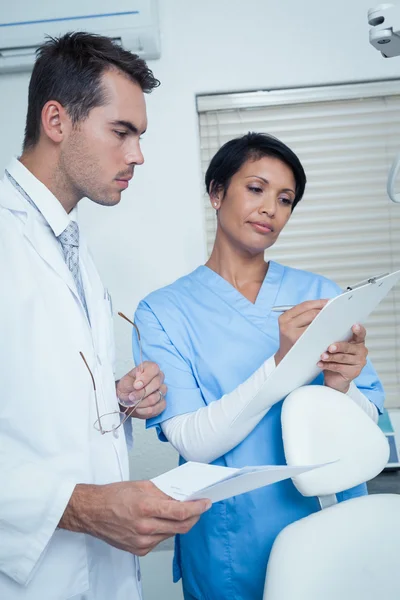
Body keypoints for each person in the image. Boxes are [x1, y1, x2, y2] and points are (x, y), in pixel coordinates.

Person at [0, 32, 211, 600]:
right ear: (57, 120)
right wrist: (86, 508)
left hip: (100, 574)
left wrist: (115, 400)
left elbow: (31, 405)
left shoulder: (72, 247)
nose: (138, 155)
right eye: (122, 132)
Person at [132, 132, 385, 600]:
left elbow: (369, 422)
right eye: (256, 189)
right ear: (216, 192)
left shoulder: (322, 295)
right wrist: (281, 364)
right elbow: (194, 440)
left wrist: (342, 388)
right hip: (232, 543)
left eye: (285, 199)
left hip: (333, 527)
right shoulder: (163, 312)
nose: (271, 208)